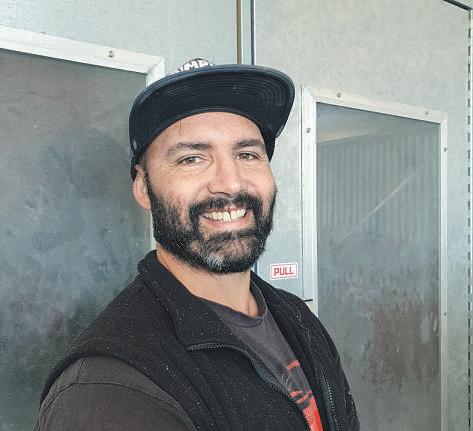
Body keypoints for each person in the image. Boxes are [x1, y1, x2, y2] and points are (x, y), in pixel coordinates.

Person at [34, 58, 359, 431]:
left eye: (247, 154)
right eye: (192, 158)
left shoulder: (297, 319)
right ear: (143, 186)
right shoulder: (107, 391)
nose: (230, 183)